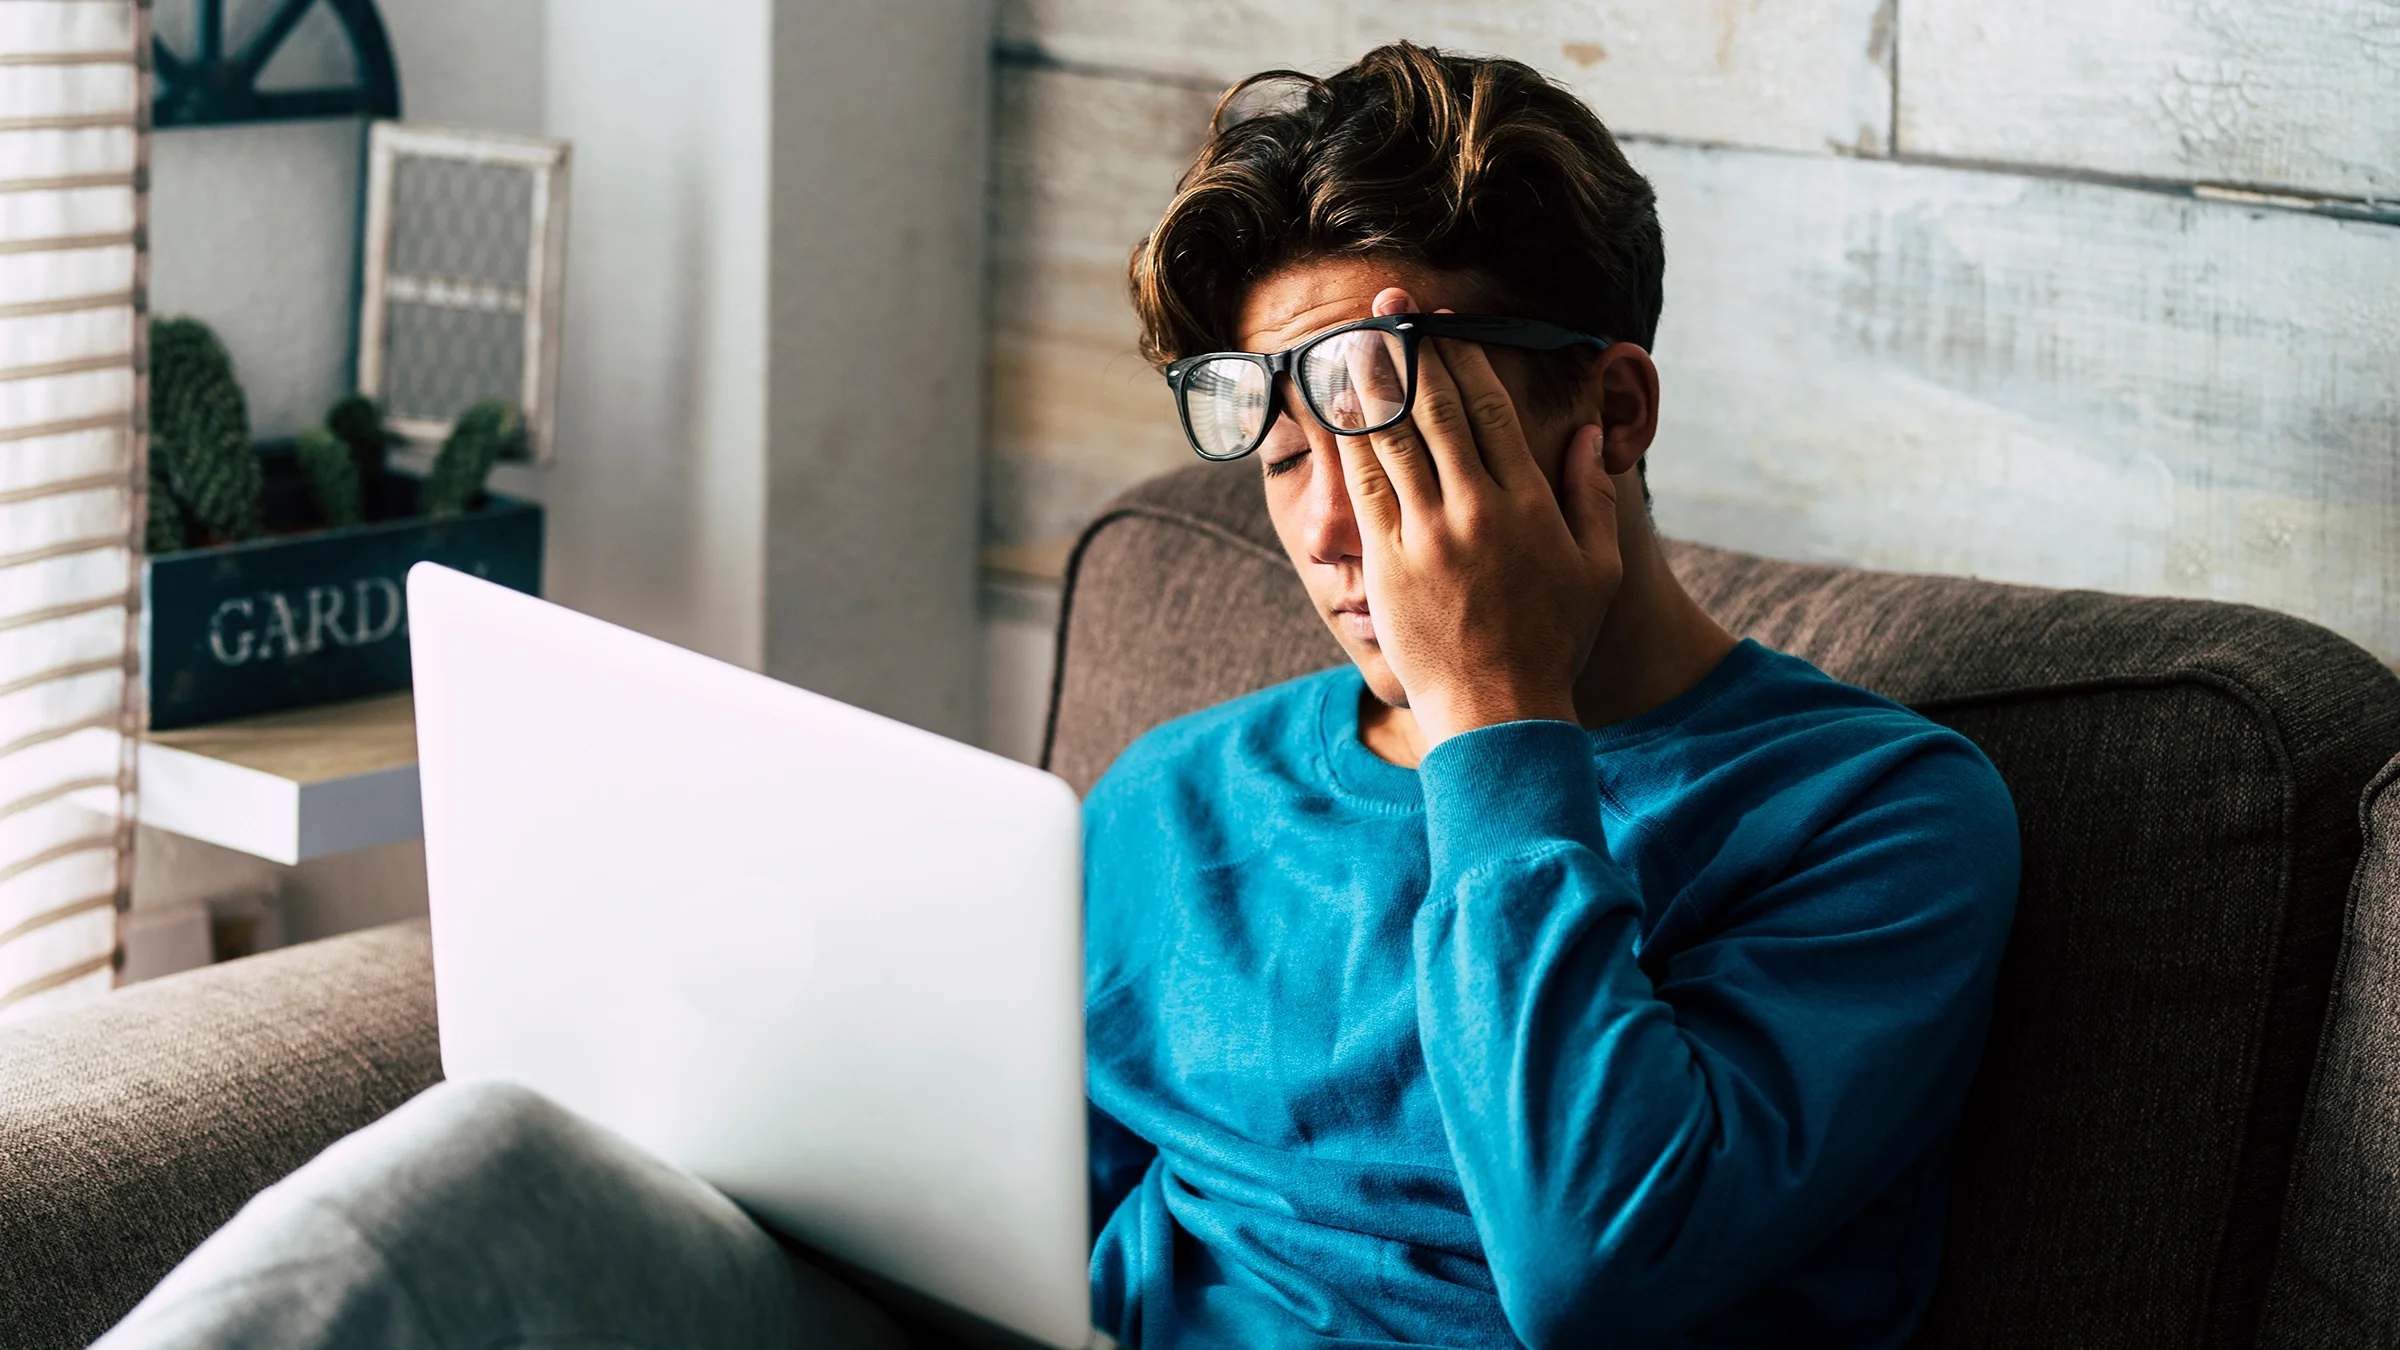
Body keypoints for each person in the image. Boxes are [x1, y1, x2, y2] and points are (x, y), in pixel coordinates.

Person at [94, 42, 2016, 1350]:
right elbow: (985, 1225)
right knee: (485, 1171)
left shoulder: (1881, 816)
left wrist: (1496, 715)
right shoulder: (1178, 804)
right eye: (1276, 437)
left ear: (1610, 411)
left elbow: (1598, 1257)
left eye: (1384, 403)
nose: (1331, 520)